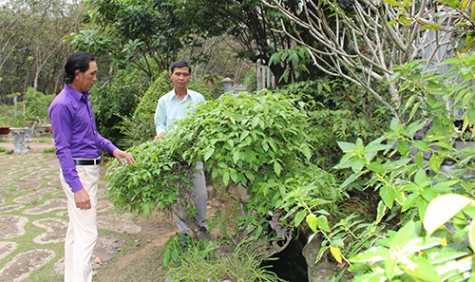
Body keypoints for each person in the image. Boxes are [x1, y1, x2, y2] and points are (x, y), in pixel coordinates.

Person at [48, 51, 135, 282]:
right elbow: (63, 150)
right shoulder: (62, 105)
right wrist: (77, 187)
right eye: (92, 73)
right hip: (79, 173)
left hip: (88, 170)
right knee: (88, 234)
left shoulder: (83, 99)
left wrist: (114, 149)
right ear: (78, 74)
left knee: (76, 233)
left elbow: (92, 135)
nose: (95, 78)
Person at [154, 60, 208, 238]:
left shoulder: (198, 99)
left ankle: (201, 225)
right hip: (172, 155)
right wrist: (161, 133)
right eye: (178, 74)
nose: (181, 77)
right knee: (177, 194)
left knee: (200, 193)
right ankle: (183, 231)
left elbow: (205, 122)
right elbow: (160, 123)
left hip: (194, 153)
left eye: (185, 74)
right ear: (171, 75)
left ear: (189, 76)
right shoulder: (164, 101)